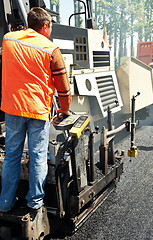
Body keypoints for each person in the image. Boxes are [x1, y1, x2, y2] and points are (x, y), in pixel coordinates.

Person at [0, 7, 71, 212]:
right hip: (38, 110)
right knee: (38, 156)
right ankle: (35, 202)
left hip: (12, 108)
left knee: (12, 155)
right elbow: (63, 86)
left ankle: (5, 203)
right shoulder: (50, 49)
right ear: (46, 25)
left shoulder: (8, 40)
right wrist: (65, 110)